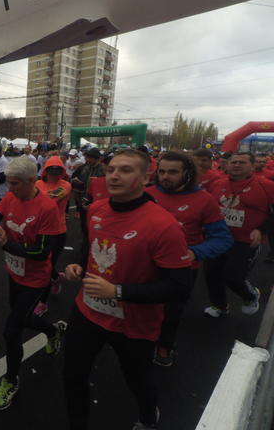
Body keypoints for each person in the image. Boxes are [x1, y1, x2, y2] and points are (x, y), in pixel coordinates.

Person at [62, 149, 192, 430]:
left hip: (133, 323)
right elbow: (90, 248)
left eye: (125, 170)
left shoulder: (163, 225)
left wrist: (117, 292)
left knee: (137, 379)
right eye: (111, 170)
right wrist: (78, 266)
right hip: (88, 311)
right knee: (72, 374)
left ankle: (148, 417)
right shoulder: (96, 209)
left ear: (146, 178)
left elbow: (179, 288)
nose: (114, 176)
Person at [0, 156, 65, 411]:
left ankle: (11, 380)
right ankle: (53, 331)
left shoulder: (47, 208)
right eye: (8, 182)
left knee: (11, 331)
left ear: (31, 180)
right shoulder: (10, 197)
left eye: (15, 183)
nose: (9, 187)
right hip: (14, 272)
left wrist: (5, 243)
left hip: (36, 279)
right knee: (23, 318)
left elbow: (41, 252)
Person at [147, 151, 233, 366]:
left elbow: (222, 238)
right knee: (143, 308)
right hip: (146, 264)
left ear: (188, 173)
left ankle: (165, 346)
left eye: (173, 172)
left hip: (182, 268)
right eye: (162, 171)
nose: (165, 177)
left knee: (172, 310)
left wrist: (196, 252)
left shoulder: (204, 200)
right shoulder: (145, 194)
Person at [205, 152, 274, 317]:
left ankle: (251, 295)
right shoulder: (217, 183)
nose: (236, 165)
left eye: (242, 162)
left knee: (233, 277)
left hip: (246, 241)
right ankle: (220, 306)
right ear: (227, 165)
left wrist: (261, 229)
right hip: (218, 238)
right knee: (211, 274)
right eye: (234, 162)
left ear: (252, 166)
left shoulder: (267, 186)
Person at [33, 156, 72, 316]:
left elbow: (50, 199)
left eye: (58, 170)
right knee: (41, 265)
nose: (54, 173)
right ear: (46, 170)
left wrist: (34, 197)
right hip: (38, 229)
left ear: (62, 171)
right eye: (51, 170)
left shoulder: (65, 185)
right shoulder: (38, 183)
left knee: (46, 267)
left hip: (57, 231)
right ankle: (56, 278)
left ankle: (42, 303)